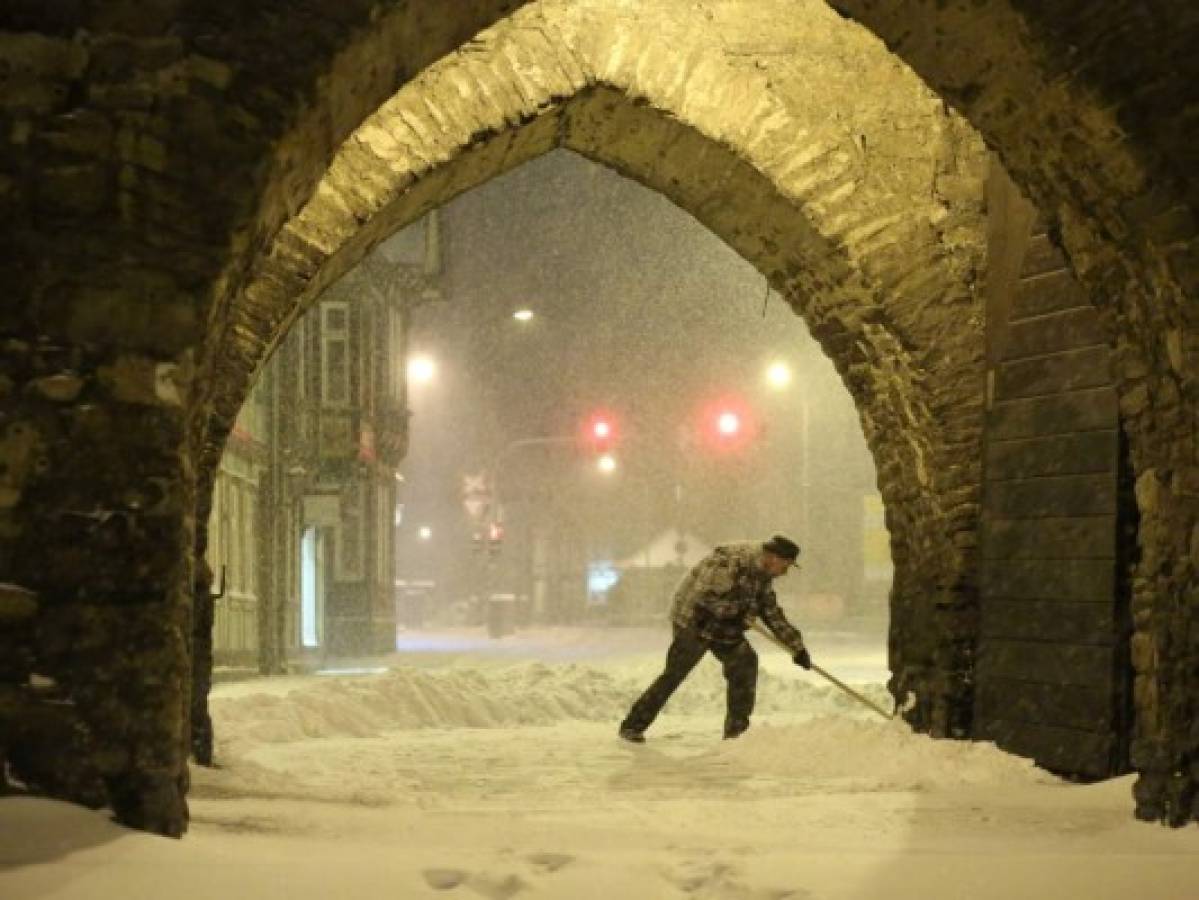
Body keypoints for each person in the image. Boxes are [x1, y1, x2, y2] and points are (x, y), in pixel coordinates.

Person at [619, 535, 811, 742]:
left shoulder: (763, 577)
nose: (786, 572)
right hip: (693, 621)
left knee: (745, 664)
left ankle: (736, 733)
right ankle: (632, 726)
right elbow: (704, 599)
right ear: (773, 557)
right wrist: (737, 612)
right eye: (786, 565)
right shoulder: (730, 561)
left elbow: (772, 614)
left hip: (727, 626)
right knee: (675, 673)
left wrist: (797, 648)